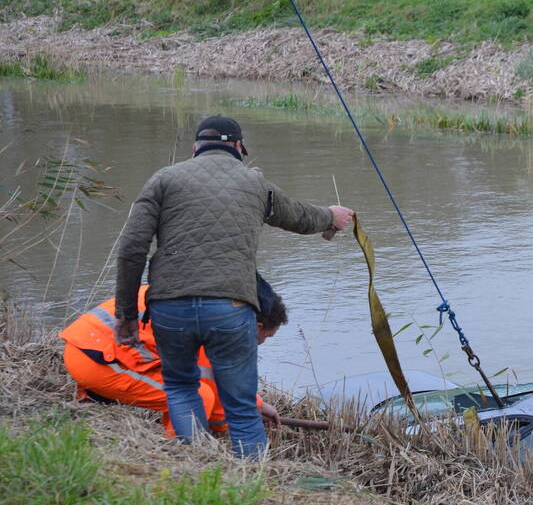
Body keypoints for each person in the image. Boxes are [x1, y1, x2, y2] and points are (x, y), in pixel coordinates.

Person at [114, 115, 354, 458]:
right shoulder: (254, 182)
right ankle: (251, 482)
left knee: (182, 388)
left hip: (170, 306)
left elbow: (131, 249)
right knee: (240, 405)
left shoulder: (163, 179)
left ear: (195, 147)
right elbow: (298, 217)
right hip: (231, 308)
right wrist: (331, 216)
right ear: (239, 147)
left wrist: (125, 314)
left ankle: (197, 463)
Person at [61, 278, 286, 438]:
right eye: (265, 337)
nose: (261, 344)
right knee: (196, 395)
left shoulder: (206, 303)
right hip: (97, 361)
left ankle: (92, 395)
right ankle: (178, 452)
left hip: (88, 350)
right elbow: (213, 386)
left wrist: (255, 405)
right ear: (256, 326)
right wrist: (241, 419)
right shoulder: (217, 325)